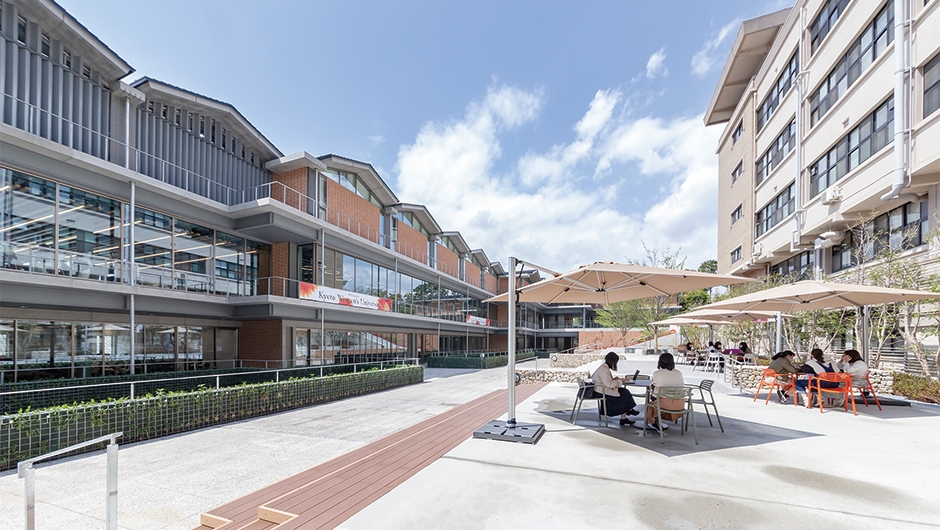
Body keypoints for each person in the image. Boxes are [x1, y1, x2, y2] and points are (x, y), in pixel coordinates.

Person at [590, 351, 639, 426]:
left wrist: (619, 380)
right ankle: (627, 411)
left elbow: (607, 381)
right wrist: (619, 381)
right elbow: (609, 384)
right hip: (601, 391)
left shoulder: (604, 368)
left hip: (601, 389)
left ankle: (627, 413)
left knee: (624, 392)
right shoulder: (604, 369)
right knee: (624, 394)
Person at [647, 352, 685, 430]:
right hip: (679, 404)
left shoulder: (658, 373)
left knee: (653, 403)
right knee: (659, 399)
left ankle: (654, 423)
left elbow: (654, 389)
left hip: (664, 405)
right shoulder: (679, 373)